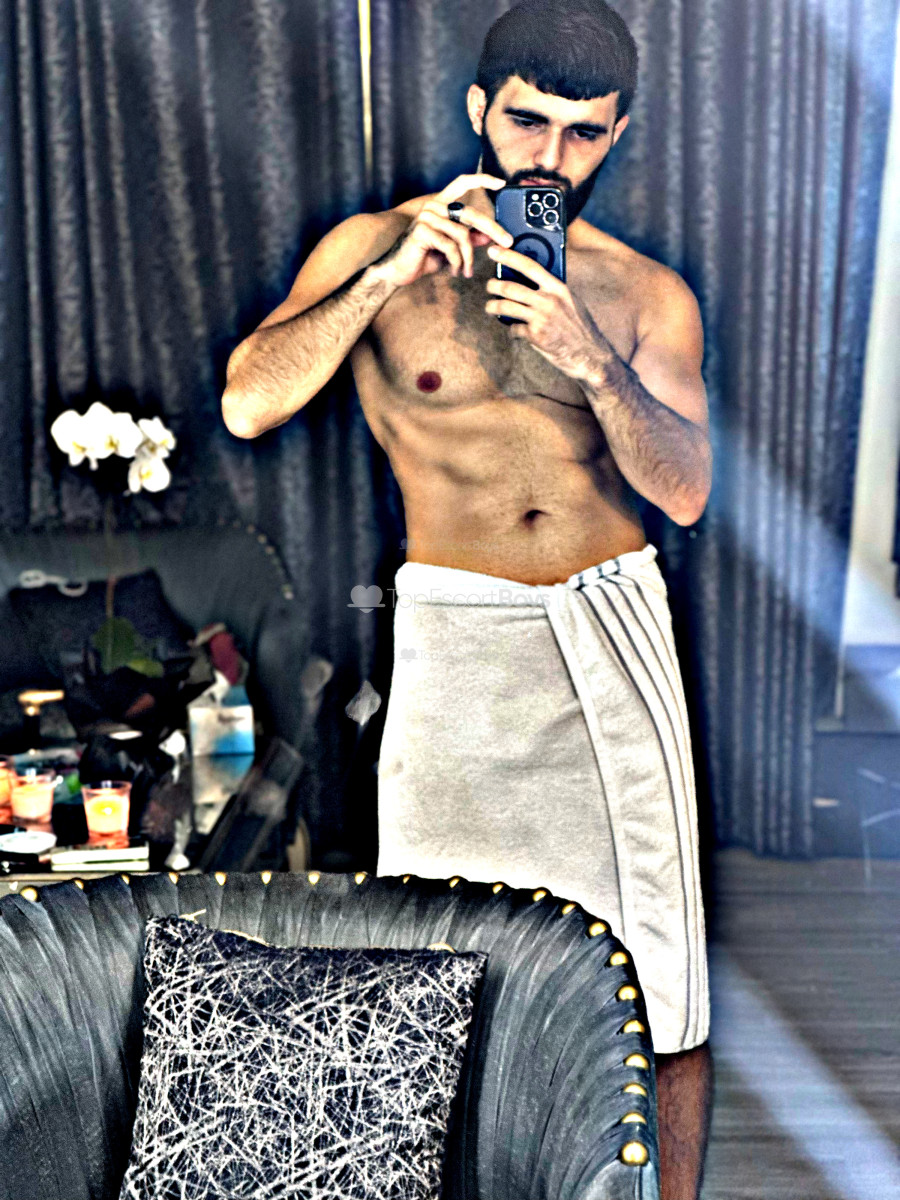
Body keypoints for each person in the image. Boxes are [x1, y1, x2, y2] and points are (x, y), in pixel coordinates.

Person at [221, 1, 712, 1194]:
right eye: (528, 122)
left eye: (583, 134)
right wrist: (386, 276)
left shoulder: (643, 293)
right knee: (434, 968)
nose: (551, 157)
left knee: (661, 987)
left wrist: (591, 358)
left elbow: (686, 492)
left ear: (617, 134)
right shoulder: (375, 248)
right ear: (479, 110)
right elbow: (249, 401)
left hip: (605, 625)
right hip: (455, 632)